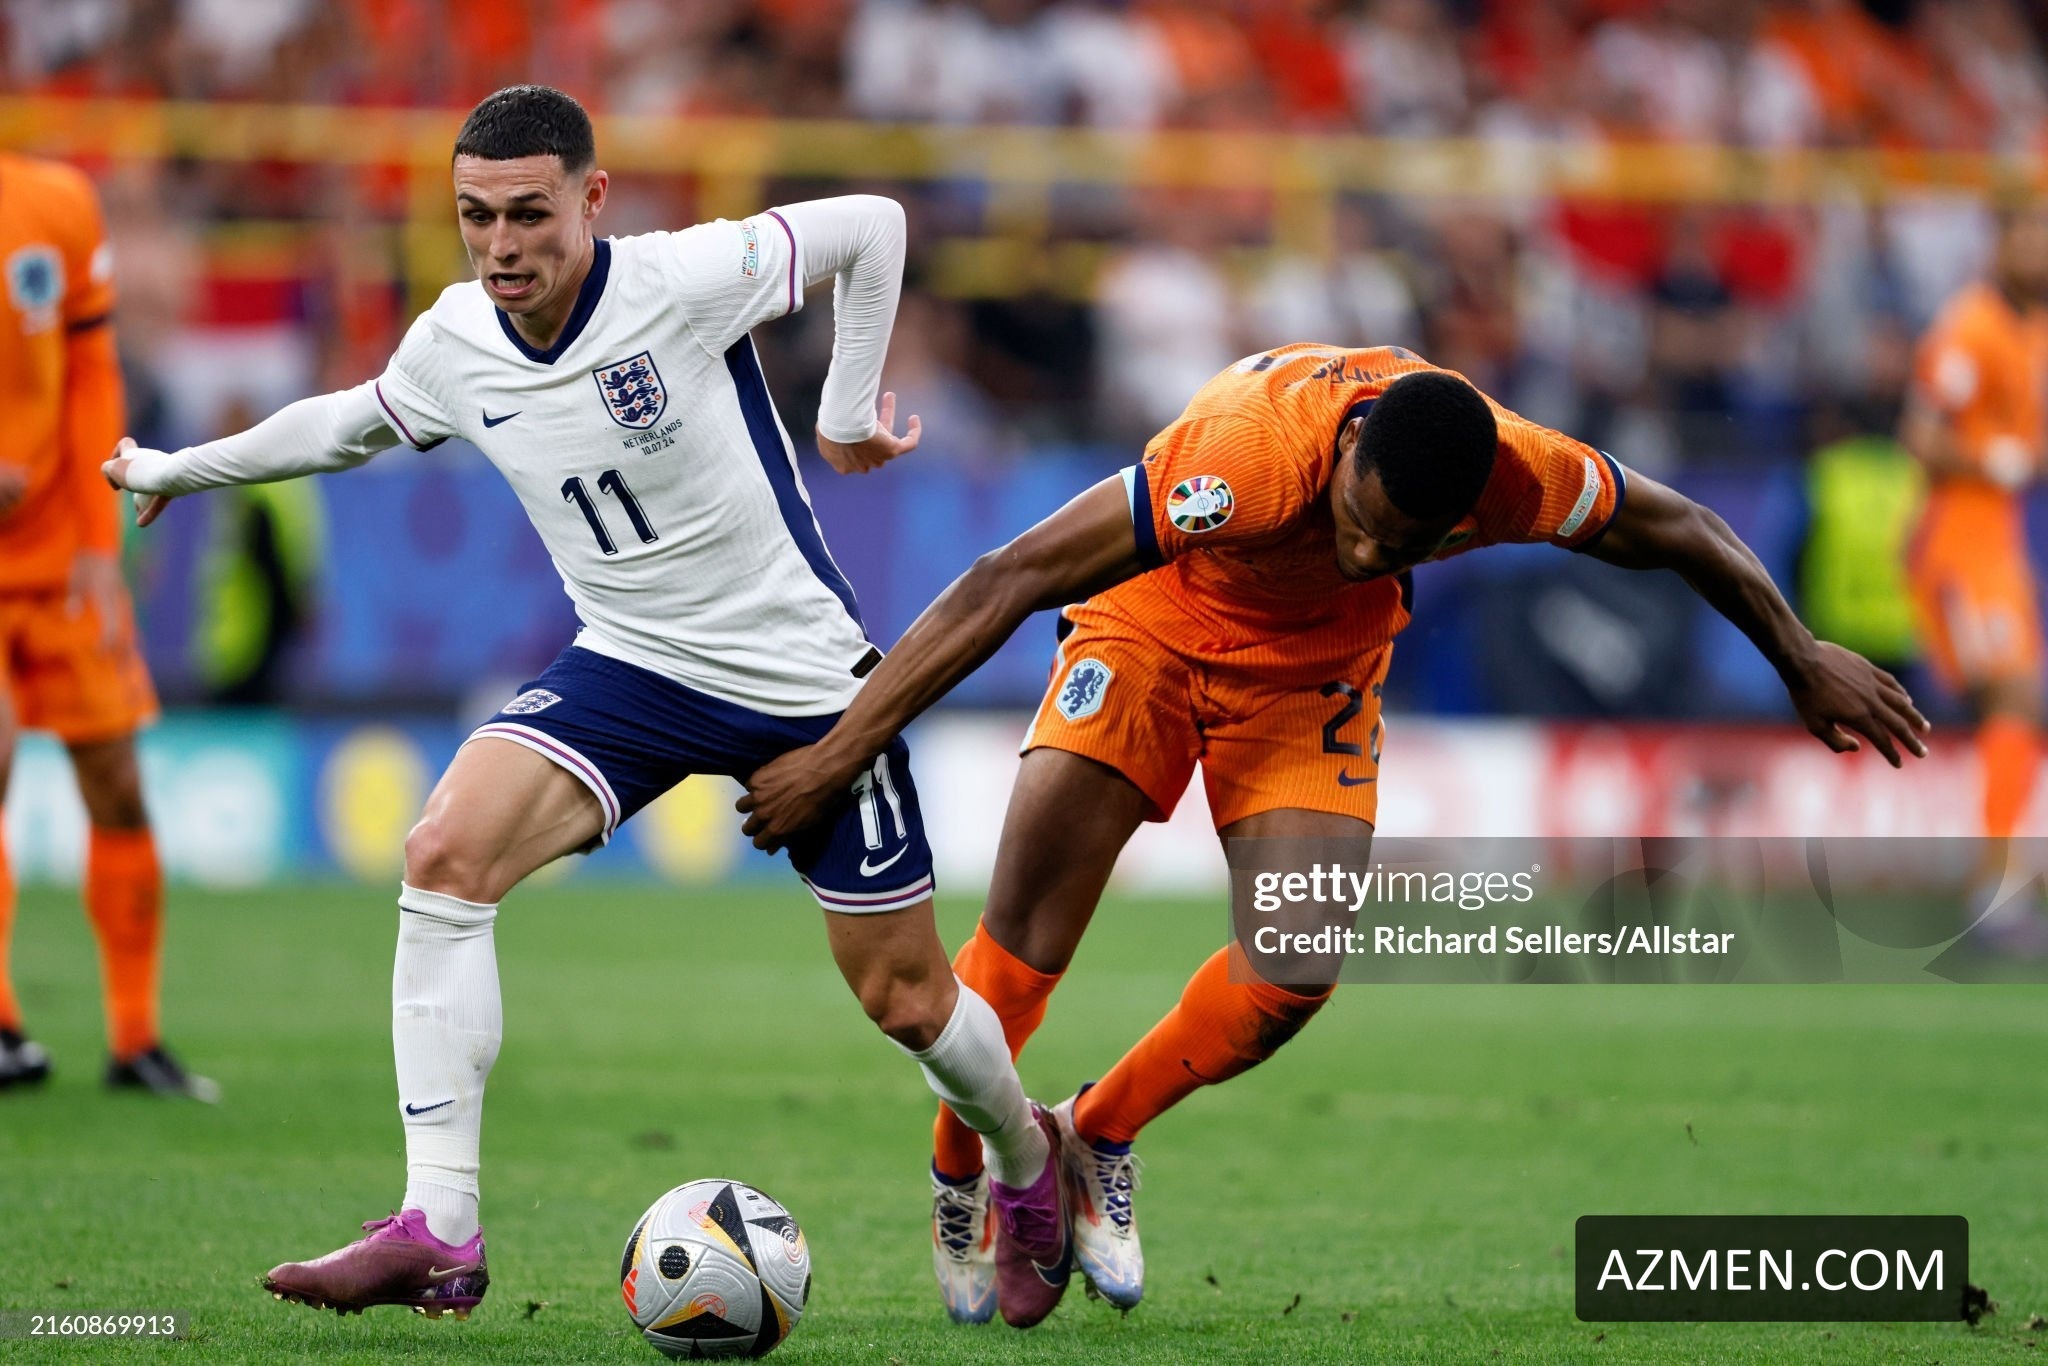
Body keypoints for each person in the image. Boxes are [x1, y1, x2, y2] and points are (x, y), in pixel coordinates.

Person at [102, 85, 1061, 1328]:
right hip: (631, 663)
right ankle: (438, 1227)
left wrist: (840, 410)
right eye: (474, 216)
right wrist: (180, 468)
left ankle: (1027, 1156)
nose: (499, 245)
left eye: (527, 214)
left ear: (591, 199)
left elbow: (872, 225)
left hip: (801, 680)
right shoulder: (457, 340)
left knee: (908, 1000)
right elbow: (345, 426)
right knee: (444, 853)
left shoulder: (680, 279)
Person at [737, 343, 1930, 1321]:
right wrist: (839, 752)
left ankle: (1094, 1134)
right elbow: (1005, 577)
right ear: (1348, 449)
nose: (1368, 551)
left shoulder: (1516, 471)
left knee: (1293, 967)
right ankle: (970, 1172)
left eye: (1403, 547)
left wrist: (1795, 655)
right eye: (1362, 520)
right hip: (1148, 633)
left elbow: (1676, 524)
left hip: (1312, 677)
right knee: (1020, 949)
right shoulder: (1247, 458)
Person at [0, 150, 213, 1101]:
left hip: (61, 557)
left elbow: (91, 370)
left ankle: (135, 1039)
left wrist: (97, 537)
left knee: (117, 781)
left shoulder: (56, 204)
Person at [1901, 206, 2048, 937]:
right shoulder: (1971, 328)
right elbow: (1921, 436)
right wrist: (1994, 459)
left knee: (2020, 705)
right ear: (2000, 246)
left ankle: (2007, 870)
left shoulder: (2035, 330)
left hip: (2002, 540)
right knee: (2016, 694)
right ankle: (1997, 891)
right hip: (1958, 539)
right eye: (2026, 234)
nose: (2037, 249)